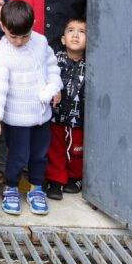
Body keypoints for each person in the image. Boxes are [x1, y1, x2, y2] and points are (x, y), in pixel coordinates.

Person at [0, 0, 62, 216]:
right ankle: (11, 187)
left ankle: (36, 187)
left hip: (41, 112)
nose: (18, 42)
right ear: (3, 26)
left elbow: (52, 66)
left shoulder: (40, 41)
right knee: (18, 154)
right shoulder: (4, 51)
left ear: (33, 25)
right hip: (16, 116)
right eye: (12, 36)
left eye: (24, 36)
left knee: (39, 153)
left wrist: (55, 87)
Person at [45, 18, 87, 200]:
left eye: (82, 32)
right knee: (56, 149)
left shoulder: (91, 63)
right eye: (71, 30)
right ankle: (55, 179)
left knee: (77, 150)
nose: (76, 35)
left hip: (79, 119)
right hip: (57, 116)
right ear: (63, 39)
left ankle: (75, 177)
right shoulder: (55, 60)